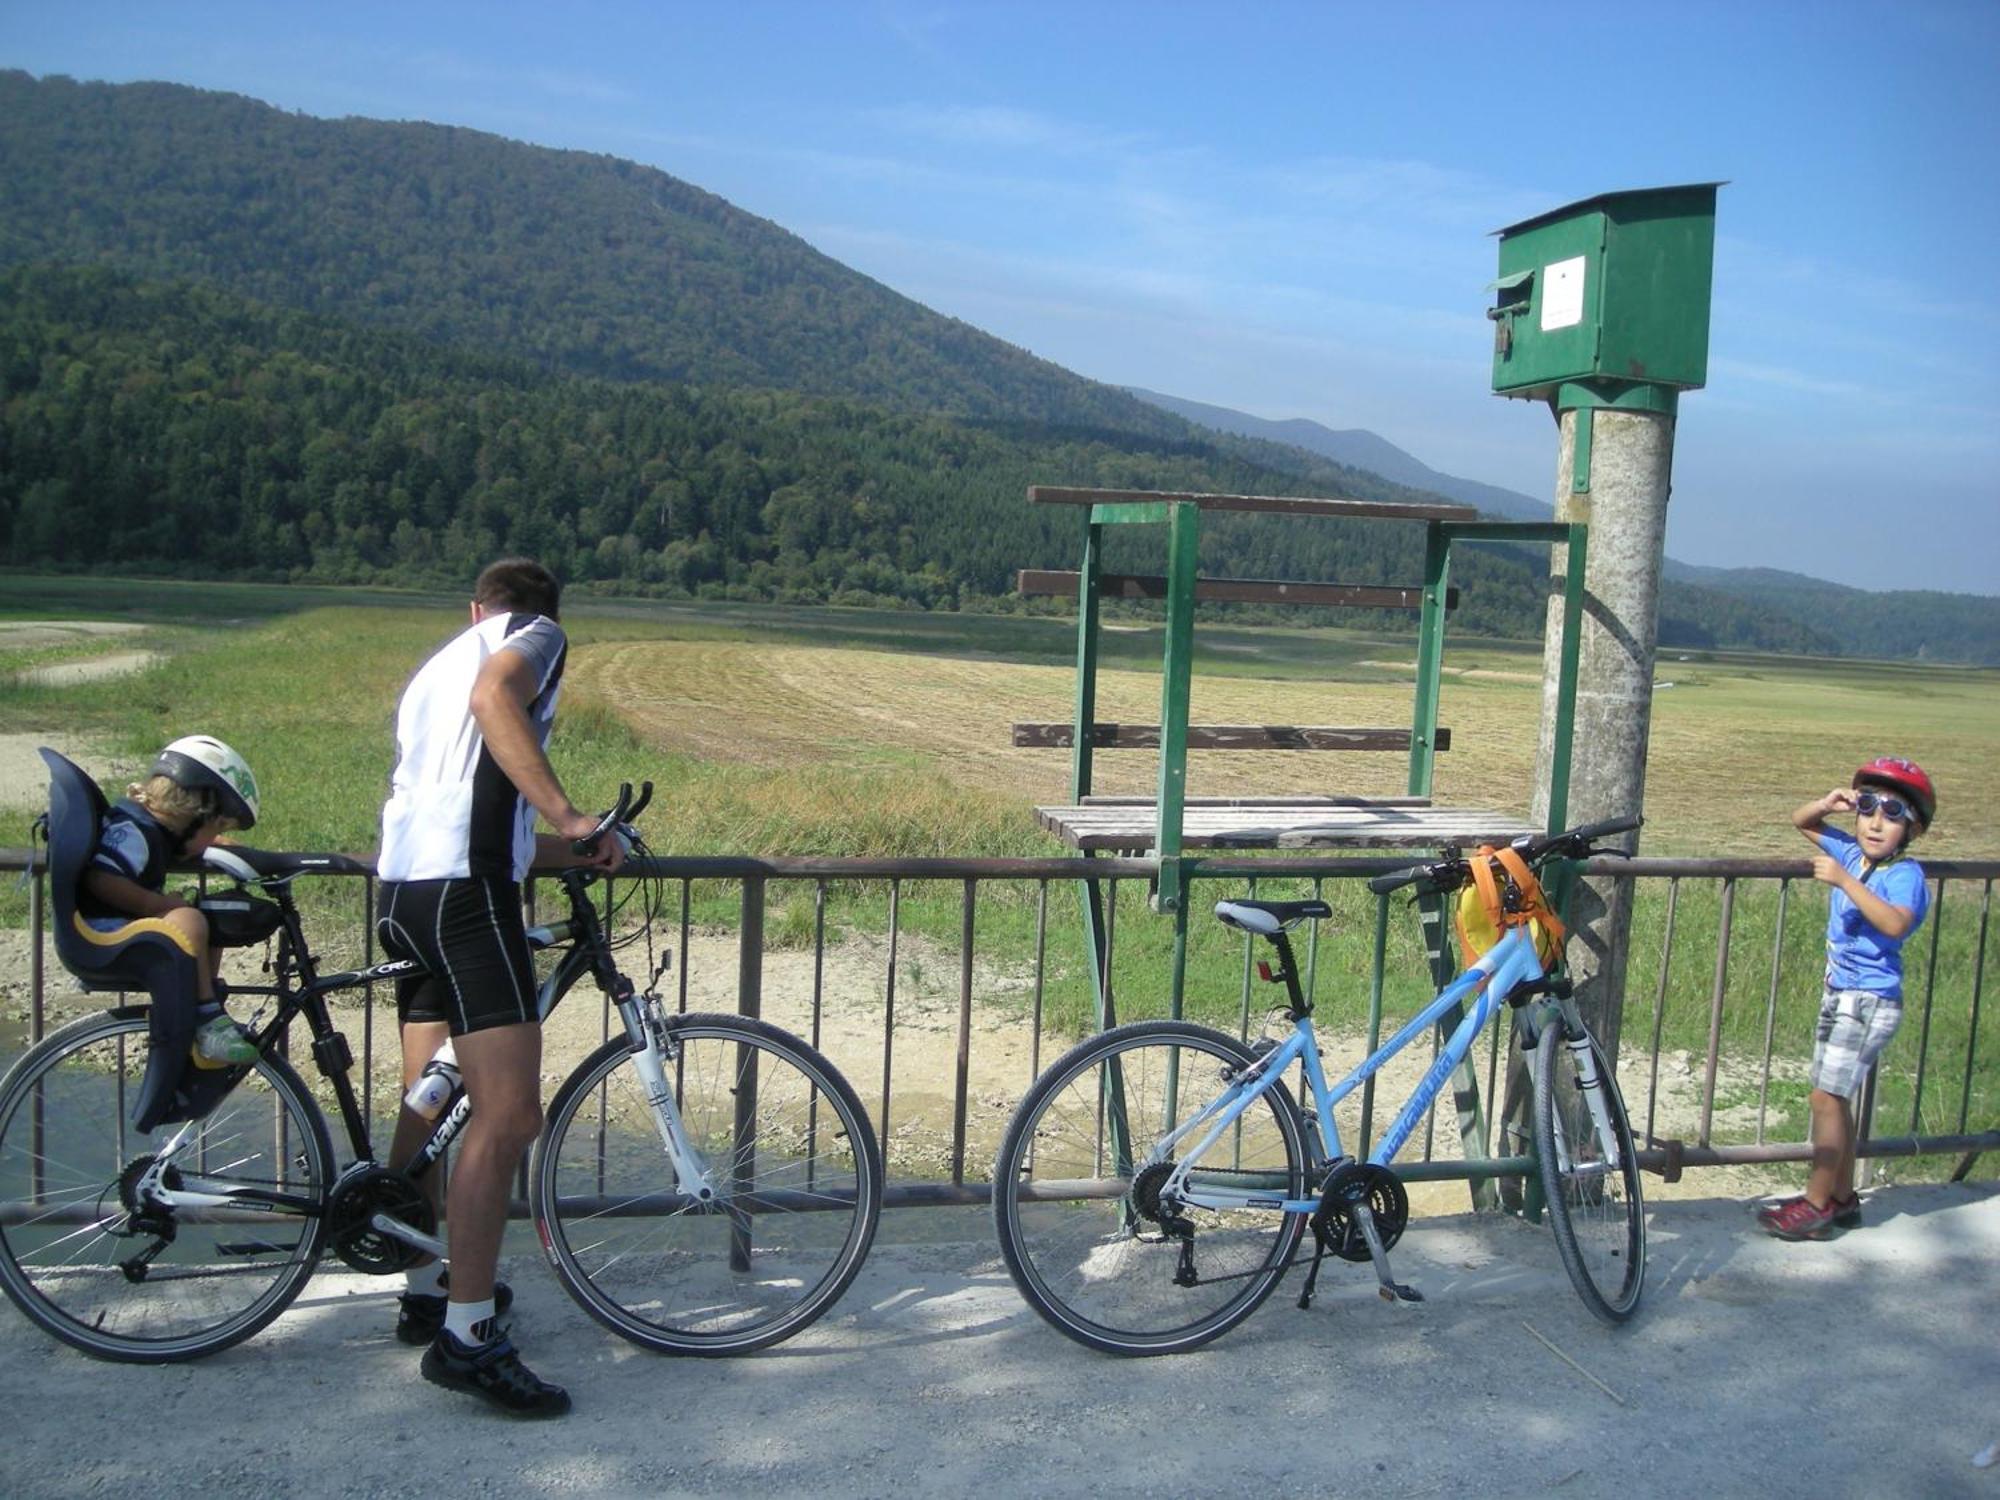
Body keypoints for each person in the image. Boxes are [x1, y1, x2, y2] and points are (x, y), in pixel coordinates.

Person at [375, 558, 623, 1418]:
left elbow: (469, 792)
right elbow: (497, 703)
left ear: (473, 605)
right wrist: (572, 817)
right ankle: (467, 1338)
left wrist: (564, 844)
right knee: (510, 1112)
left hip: (405, 891)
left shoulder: (433, 665)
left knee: (431, 1100)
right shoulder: (536, 636)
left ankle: (422, 1281)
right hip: (465, 895)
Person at [1758, 756, 1935, 1241]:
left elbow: (1897, 924)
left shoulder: (1904, 875)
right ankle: (1841, 1198)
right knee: (1835, 1098)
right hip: (1843, 994)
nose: (1876, 822)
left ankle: (1816, 1205)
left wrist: (1845, 882)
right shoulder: (1851, 853)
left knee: (1826, 1097)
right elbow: (1803, 822)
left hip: (1867, 999)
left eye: (1892, 813)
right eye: (1868, 808)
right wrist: (1828, 803)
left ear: (1913, 827)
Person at [80, 736, 263, 1068]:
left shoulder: (153, 830)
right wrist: (158, 905)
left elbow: (184, 843)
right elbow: (101, 879)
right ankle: (207, 1020)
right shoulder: (134, 832)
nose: (213, 838)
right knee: (188, 919)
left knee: (205, 918)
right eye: (216, 827)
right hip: (103, 933)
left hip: (120, 927)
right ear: (193, 816)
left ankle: (203, 1012)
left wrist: (215, 843)